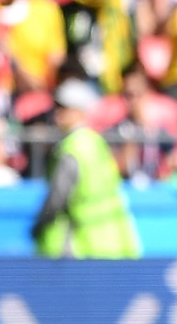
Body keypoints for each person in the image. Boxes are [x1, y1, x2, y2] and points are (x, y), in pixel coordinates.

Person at [32, 79, 142, 260]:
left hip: (84, 243)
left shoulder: (72, 149)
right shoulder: (96, 142)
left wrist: (39, 226)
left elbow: (57, 197)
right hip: (115, 240)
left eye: (64, 107)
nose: (57, 113)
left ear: (78, 110)